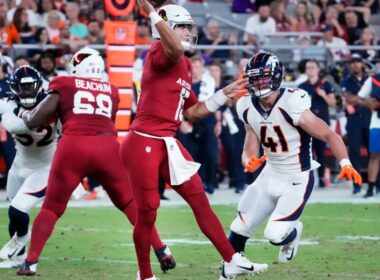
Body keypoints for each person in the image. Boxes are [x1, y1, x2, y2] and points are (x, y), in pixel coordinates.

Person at [120, 1, 268, 280]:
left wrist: (223, 95)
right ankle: (145, 275)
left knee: (199, 199)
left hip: (167, 143)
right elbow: (173, 49)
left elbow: (193, 111)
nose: (188, 32)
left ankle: (231, 259)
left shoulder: (185, 64)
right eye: (183, 27)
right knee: (148, 213)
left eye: (189, 27)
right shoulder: (158, 51)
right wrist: (152, 14)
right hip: (143, 142)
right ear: (165, 28)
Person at [16, 47, 175, 276]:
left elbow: (38, 119)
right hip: (108, 148)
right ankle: (161, 250)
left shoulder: (64, 83)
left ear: (78, 65)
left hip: (74, 147)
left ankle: (30, 262)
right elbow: (102, 119)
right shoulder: (112, 90)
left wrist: (25, 116)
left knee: (51, 207)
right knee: (130, 203)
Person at [227, 51, 362, 265]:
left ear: (276, 76)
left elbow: (329, 134)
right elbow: (250, 143)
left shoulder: (291, 101)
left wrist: (345, 162)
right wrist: (247, 159)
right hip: (269, 174)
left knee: (274, 234)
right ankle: (232, 267)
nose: (258, 83)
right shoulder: (245, 105)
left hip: (297, 177)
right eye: (254, 78)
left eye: (263, 77)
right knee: (239, 225)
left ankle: (294, 232)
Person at [0, 66, 58, 268]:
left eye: (30, 87)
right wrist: (34, 119)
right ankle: (18, 257)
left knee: (18, 210)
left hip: (44, 167)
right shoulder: (7, 104)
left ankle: (23, 238)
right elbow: (13, 126)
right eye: (22, 88)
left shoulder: (52, 103)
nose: (27, 92)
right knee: (13, 213)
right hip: (19, 165)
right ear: (15, 88)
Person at [299, 59, 336, 187]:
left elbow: (333, 103)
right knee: (306, 150)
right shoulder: (302, 86)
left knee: (321, 151)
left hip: (322, 121)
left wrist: (324, 95)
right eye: (308, 67)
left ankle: (321, 178)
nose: (310, 70)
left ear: (318, 69)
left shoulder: (325, 84)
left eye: (313, 67)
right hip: (307, 122)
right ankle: (307, 178)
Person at [340, 54, 371, 194]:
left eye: (357, 61)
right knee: (354, 152)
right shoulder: (346, 80)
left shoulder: (369, 79)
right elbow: (348, 98)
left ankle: (374, 183)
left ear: (362, 63)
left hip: (369, 117)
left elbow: (373, 99)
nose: (355, 64)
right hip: (354, 119)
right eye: (352, 62)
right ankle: (357, 184)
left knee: (374, 152)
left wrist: (356, 99)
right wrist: (364, 99)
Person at [357, 73, 380, 198]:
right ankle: (370, 188)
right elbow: (359, 98)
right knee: (375, 156)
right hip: (377, 122)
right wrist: (368, 104)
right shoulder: (374, 79)